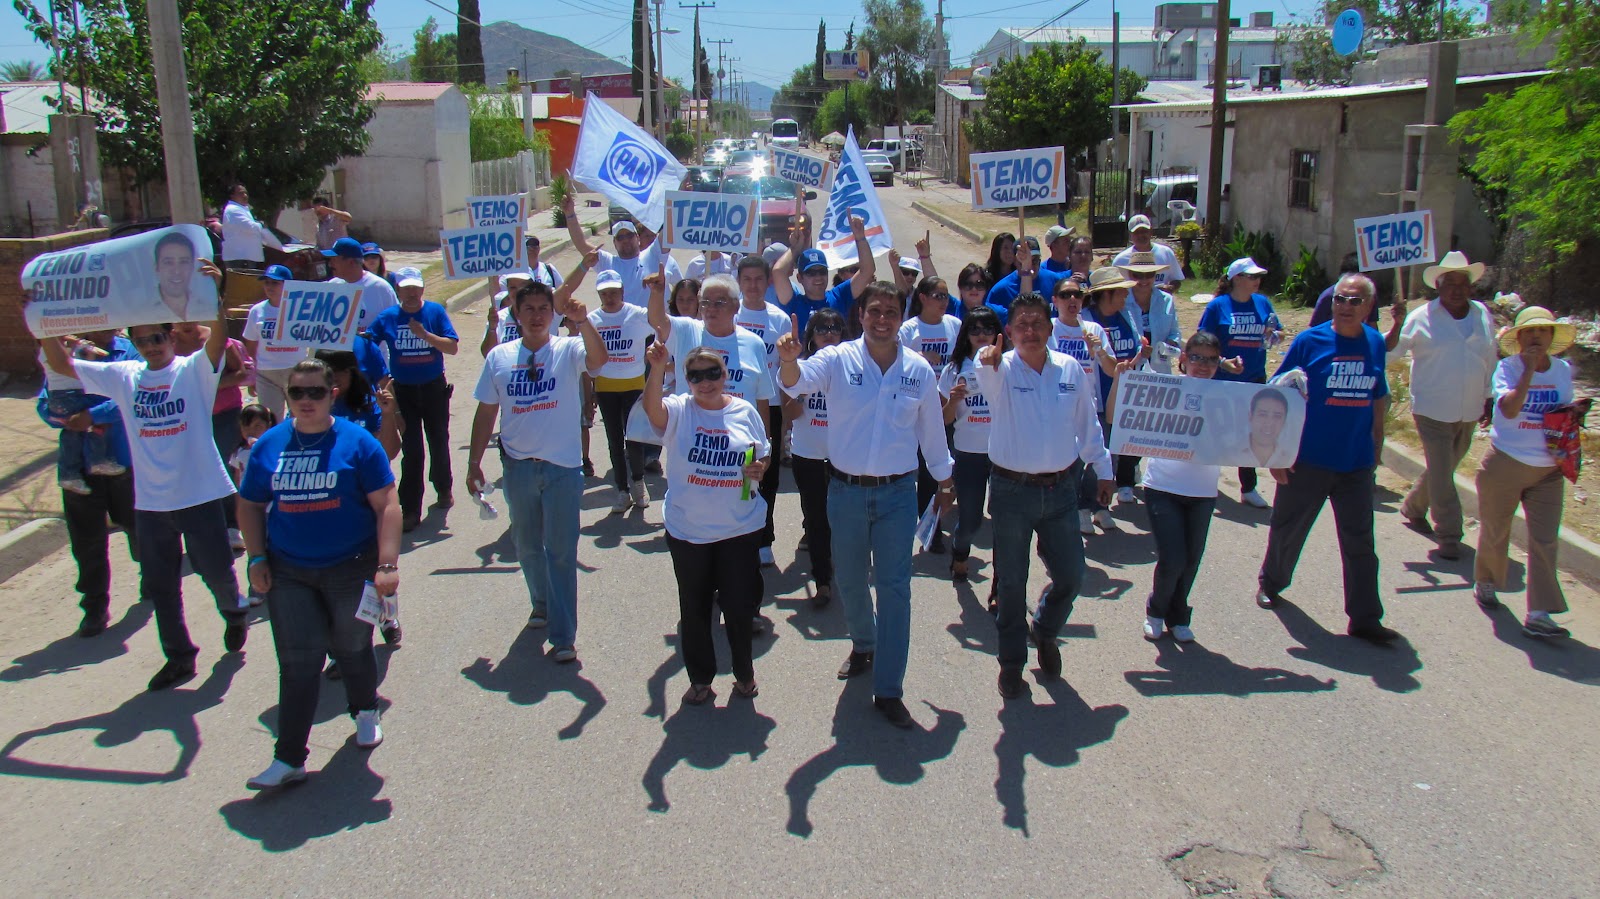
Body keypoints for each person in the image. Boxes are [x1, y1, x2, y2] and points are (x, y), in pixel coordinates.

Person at [39, 265, 251, 691]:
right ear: (134, 345)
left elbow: (216, 335)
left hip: (198, 495)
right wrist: (41, 323)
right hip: (152, 503)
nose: (151, 346)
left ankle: (233, 611)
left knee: (215, 572)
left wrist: (213, 292)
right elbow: (63, 363)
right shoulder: (125, 377)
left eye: (157, 338)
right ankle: (179, 657)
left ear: (171, 337)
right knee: (160, 584)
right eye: (142, 341)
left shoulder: (193, 370)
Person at [776, 282, 955, 728]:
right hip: (845, 492)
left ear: (901, 317)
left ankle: (889, 689)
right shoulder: (837, 358)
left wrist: (945, 482)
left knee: (895, 590)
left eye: (891, 311)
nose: (882, 319)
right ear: (861, 315)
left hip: (898, 495)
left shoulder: (918, 370)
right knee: (852, 581)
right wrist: (789, 360)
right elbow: (795, 382)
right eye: (874, 310)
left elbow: (932, 433)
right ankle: (863, 642)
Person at [237, 359, 402, 790]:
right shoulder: (270, 444)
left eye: (316, 392)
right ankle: (289, 757)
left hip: (351, 565)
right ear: (286, 396)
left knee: (351, 646)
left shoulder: (357, 442)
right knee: (297, 662)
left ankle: (365, 709)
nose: (306, 400)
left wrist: (387, 565)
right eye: (297, 392)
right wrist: (256, 558)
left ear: (332, 394)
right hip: (289, 570)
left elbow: (387, 504)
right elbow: (250, 504)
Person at [974, 292, 1114, 698]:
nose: (1030, 330)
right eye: (1021, 324)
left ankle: (1046, 629)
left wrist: (1104, 469)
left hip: (1061, 489)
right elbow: (986, 370)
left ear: (1051, 328)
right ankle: (1011, 662)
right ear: (1009, 331)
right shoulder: (999, 368)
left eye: (1037, 323)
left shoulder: (1069, 368)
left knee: (1072, 575)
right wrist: (987, 359)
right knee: (1011, 583)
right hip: (1011, 491)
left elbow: (1088, 425)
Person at [468, 280, 607, 663]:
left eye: (543, 309)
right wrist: (473, 463)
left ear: (553, 313)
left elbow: (598, 360)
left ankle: (563, 636)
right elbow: (486, 410)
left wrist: (584, 322)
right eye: (528, 308)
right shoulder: (499, 357)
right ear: (516, 314)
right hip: (518, 469)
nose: (536, 316)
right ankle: (541, 602)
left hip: (563, 469)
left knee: (560, 552)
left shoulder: (567, 348)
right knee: (527, 546)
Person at [1256, 273, 1398, 645]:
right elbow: (1279, 393)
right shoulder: (1309, 342)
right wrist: (1278, 452)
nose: (1345, 306)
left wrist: (1377, 443)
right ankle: (1271, 582)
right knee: (1288, 528)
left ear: (1369, 306)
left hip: (1355, 462)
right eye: (1339, 299)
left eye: (1354, 301)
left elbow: (1378, 395)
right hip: (1307, 459)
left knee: (1360, 542)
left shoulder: (1374, 343)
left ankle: (1365, 618)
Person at [642, 343, 769, 704]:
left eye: (712, 373)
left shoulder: (744, 411)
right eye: (695, 375)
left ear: (725, 375)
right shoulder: (680, 409)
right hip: (689, 531)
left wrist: (760, 469)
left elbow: (761, 454)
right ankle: (700, 679)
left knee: (738, 606)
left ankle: (744, 675)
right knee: (694, 607)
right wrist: (656, 368)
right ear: (686, 380)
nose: (705, 382)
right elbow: (652, 410)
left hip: (738, 528)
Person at [1473, 307, 1581, 638]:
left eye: (1543, 331)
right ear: (1519, 338)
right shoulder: (1507, 368)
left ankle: (1539, 613)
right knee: (1496, 529)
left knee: (1545, 539)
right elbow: (1508, 409)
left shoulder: (1562, 370)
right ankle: (1486, 579)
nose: (1536, 337)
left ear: (1551, 337)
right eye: (1529, 332)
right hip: (1506, 462)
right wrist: (1529, 371)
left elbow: (1563, 411)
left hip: (1548, 470)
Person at [1385, 250, 1499, 559]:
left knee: (1444, 468)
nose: (1457, 290)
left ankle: (1414, 506)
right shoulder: (1421, 317)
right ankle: (1449, 532)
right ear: (1438, 285)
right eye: (1450, 283)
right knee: (1442, 470)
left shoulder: (1481, 314)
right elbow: (1390, 353)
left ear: (1471, 286)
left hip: (1470, 407)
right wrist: (1396, 325)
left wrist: (1489, 395)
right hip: (1432, 408)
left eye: (1463, 283)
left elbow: (1490, 356)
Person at [35, 329, 138, 637]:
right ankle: (94, 606)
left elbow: (137, 394)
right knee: (87, 540)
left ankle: (154, 579)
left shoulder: (128, 352)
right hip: (78, 465)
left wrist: (92, 416)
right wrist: (63, 417)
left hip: (122, 460)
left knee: (138, 526)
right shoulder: (66, 353)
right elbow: (45, 401)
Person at [1141, 331, 1229, 642]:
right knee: (1173, 558)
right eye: (1196, 357)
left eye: (1211, 360)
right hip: (1163, 486)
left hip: (1203, 492)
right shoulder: (1167, 389)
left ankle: (1178, 616)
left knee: (1191, 560)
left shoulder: (1227, 396)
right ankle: (1156, 610)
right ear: (1183, 359)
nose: (1203, 365)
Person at [367, 267, 460, 531]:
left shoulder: (434, 312)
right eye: (405, 289)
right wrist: (379, 376)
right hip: (404, 391)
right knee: (412, 449)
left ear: (422, 289)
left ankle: (443, 487)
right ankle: (410, 509)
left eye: (415, 289)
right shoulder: (388, 317)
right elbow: (367, 344)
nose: (410, 294)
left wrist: (426, 336)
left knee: (438, 440)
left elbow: (452, 347)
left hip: (433, 388)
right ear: (397, 290)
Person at [1198, 257, 1284, 509]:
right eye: (1252, 276)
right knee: (1217, 430)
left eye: (1258, 277)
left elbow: (1278, 332)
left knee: (1250, 432)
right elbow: (1203, 342)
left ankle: (1248, 487)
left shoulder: (1263, 302)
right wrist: (1222, 362)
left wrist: (1275, 335)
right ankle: (1204, 480)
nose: (1257, 281)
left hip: (1254, 377)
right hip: (1222, 379)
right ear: (1236, 279)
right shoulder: (1218, 306)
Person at [732, 255, 793, 566]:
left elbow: (786, 367)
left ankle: (764, 538)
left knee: (766, 475)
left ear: (768, 281)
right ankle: (739, 535)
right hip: (736, 408)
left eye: (759, 279)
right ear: (739, 282)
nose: (753, 285)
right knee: (739, 475)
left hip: (769, 408)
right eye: (747, 279)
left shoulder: (779, 319)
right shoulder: (731, 315)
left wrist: (786, 419)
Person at [783, 308, 845, 609]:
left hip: (844, 457)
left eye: (834, 328)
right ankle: (823, 580)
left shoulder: (853, 368)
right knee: (817, 519)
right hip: (808, 455)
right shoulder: (800, 369)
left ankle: (842, 567)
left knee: (842, 519)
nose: (829, 333)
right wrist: (801, 394)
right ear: (812, 336)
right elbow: (790, 414)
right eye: (822, 329)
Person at [171, 319, 250, 549]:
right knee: (193, 468)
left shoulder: (217, 338)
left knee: (223, 466)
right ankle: (201, 526)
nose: (185, 322)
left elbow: (240, 373)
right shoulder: (167, 343)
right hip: (188, 416)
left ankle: (232, 526)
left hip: (225, 413)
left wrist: (209, 384)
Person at [1049, 278, 1119, 533]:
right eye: (1065, 295)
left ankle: (1095, 506)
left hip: (1090, 405)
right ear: (1055, 300)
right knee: (1071, 465)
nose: (1072, 300)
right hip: (1061, 407)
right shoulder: (1050, 329)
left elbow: (1112, 370)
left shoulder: (1093, 329)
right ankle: (1075, 511)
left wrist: (1098, 351)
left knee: (1098, 457)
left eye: (1077, 295)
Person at [901, 275, 962, 553]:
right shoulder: (908, 330)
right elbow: (896, 362)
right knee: (922, 474)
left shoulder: (955, 325)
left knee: (941, 470)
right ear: (922, 298)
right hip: (916, 411)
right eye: (937, 296)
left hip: (947, 409)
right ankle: (927, 528)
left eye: (946, 296)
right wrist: (922, 357)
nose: (943, 301)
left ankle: (934, 526)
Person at [939, 306, 1000, 584]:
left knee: (1004, 522)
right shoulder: (954, 369)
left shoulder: (1008, 364)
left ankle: (1001, 581)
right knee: (971, 519)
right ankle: (960, 553)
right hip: (969, 453)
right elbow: (945, 419)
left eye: (988, 328)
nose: (981, 334)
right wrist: (953, 400)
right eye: (974, 329)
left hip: (1004, 454)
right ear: (966, 334)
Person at [1080, 266, 1149, 511]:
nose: (1126, 296)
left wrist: (1140, 355)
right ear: (1106, 294)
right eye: (1121, 291)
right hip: (1097, 397)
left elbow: (1134, 349)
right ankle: (1086, 505)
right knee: (1097, 452)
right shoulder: (1086, 320)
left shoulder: (1127, 315)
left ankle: (1100, 505)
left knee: (1115, 451)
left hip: (1125, 395)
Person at [588, 268, 655, 512]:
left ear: (623, 291)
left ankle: (638, 483)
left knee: (634, 438)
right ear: (599, 295)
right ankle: (622, 490)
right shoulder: (592, 319)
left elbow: (661, 324)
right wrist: (590, 391)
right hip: (605, 387)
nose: (610, 297)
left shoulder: (637, 314)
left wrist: (656, 292)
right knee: (614, 440)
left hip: (634, 386)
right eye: (604, 293)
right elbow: (587, 356)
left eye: (614, 292)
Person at [561, 197, 682, 306]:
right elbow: (581, 243)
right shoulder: (608, 263)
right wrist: (570, 214)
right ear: (614, 243)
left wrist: (681, 195)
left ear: (637, 238)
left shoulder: (653, 254)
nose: (625, 240)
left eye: (629, 235)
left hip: (654, 323)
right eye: (620, 237)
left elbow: (669, 227)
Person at [772, 217, 877, 334]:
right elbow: (778, 271)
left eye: (822, 271)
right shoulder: (793, 302)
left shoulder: (839, 296)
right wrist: (795, 248)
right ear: (799, 278)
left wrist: (860, 237)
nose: (818, 277)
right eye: (811, 273)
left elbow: (867, 270)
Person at [242, 264, 307, 418]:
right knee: (271, 419)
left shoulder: (302, 309)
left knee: (301, 416)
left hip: (295, 371)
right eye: (267, 282)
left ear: (288, 285)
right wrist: (251, 375)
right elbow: (251, 344)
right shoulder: (257, 311)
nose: (269, 287)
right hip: (266, 374)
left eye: (275, 283)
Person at [316, 349, 402, 461]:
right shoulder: (310, 405)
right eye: (328, 371)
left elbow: (388, 453)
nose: (335, 377)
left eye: (341, 370)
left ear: (352, 373)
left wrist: (388, 414)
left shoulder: (369, 403)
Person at [1121, 251, 1184, 374]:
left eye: (1149, 274)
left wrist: (1170, 344)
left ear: (1155, 275)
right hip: (1129, 368)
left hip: (1160, 369)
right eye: (1138, 275)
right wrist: (1138, 350)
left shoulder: (1166, 300)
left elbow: (1175, 332)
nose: (1144, 280)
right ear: (1129, 275)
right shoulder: (1121, 301)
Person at [323, 237, 399, 333]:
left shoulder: (380, 287)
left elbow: (396, 322)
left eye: (334, 260)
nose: (330, 264)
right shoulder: (332, 285)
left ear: (351, 262)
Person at [1111, 214, 1184, 294]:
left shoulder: (1166, 253)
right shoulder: (1120, 260)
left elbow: (1176, 278)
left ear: (1151, 231)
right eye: (1136, 232)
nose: (1140, 235)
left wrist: (1169, 288)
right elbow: (1114, 289)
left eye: (1144, 231)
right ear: (1130, 234)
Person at [986, 236, 1065, 310]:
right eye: (1023, 262)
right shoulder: (1001, 291)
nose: (1030, 266)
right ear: (1015, 261)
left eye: (1035, 261)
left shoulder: (1055, 281)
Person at [220, 183, 283, 268]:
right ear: (232, 196)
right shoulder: (233, 210)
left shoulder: (241, 209)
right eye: (241, 193)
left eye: (246, 193)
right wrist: (261, 225)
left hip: (245, 257)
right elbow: (249, 227)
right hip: (240, 257)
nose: (245, 196)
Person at [1309, 253, 1376, 328]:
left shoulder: (1368, 295)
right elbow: (1316, 329)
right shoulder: (1327, 297)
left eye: (1356, 301)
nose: (1347, 307)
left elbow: (1372, 324)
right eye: (1340, 299)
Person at [154, 232, 205, 321]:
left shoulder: (207, 305)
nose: (177, 271)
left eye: (184, 262)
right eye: (168, 262)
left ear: (192, 266)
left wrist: (216, 292)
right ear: (157, 267)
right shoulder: (139, 311)